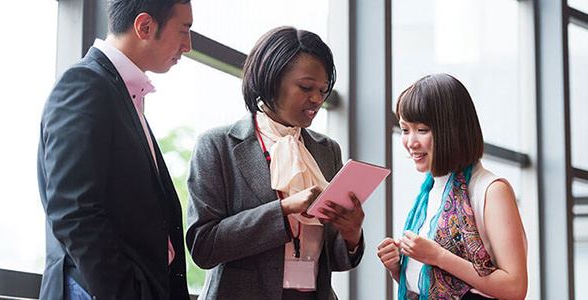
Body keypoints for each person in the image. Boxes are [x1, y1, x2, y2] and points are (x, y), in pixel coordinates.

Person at [185, 26, 365, 300]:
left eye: (323, 90)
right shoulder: (218, 146)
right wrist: (284, 209)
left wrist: (351, 235)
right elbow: (203, 246)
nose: (316, 99)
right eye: (306, 87)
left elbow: (336, 260)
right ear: (270, 81)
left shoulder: (326, 150)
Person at [37, 0, 193, 299]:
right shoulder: (84, 84)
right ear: (145, 26)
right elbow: (73, 210)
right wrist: (124, 291)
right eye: (184, 31)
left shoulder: (123, 93)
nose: (187, 46)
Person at [377, 74, 528, 300]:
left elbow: (515, 287)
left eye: (422, 130)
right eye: (405, 129)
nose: (411, 143)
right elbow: (433, 286)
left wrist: (438, 256)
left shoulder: (491, 190)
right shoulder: (429, 192)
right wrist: (399, 267)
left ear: (450, 130)